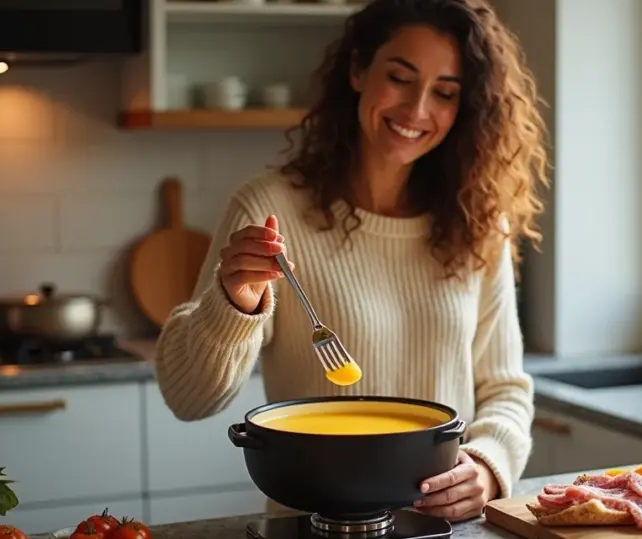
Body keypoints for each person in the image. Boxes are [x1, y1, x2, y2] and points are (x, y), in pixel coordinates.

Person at [153, 0, 549, 522]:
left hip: (445, 529)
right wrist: (235, 301)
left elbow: (505, 389)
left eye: (445, 93)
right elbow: (189, 398)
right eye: (400, 78)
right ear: (359, 70)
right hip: (314, 527)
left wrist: (488, 463)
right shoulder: (270, 209)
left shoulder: (478, 223)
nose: (417, 109)